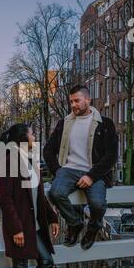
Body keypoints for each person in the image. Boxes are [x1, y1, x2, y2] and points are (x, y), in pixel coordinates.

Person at [0, 123, 59, 268]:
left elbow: (39, 195)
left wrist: (52, 217)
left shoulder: (30, 160)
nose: (35, 135)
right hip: (21, 226)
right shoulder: (10, 161)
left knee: (46, 262)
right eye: (32, 133)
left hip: (35, 225)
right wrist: (16, 229)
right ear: (24, 137)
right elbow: (5, 199)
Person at [43, 84, 118, 250]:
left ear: (88, 100)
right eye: (71, 102)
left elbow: (111, 155)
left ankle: (93, 228)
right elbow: (48, 150)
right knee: (55, 193)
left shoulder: (105, 124)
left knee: (98, 204)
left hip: (94, 172)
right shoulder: (64, 124)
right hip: (68, 170)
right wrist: (58, 171)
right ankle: (75, 223)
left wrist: (91, 176)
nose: (73, 105)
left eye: (77, 101)